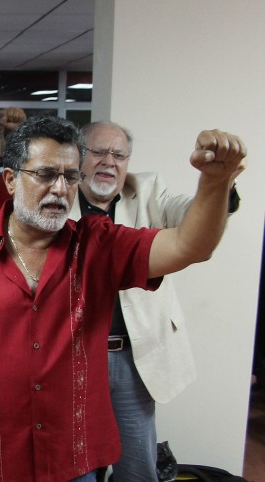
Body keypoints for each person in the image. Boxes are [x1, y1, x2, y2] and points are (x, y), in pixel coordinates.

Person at [0, 116, 246, 482]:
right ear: (11, 180)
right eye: (46, 174)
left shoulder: (97, 245)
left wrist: (215, 182)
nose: (60, 189)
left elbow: (190, 246)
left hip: (73, 462)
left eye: (70, 177)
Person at [74, 121, 242, 481]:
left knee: (138, 469)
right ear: (79, 156)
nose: (109, 161)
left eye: (119, 155)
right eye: (98, 152)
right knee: (78, 468)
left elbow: (193, 222)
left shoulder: (148, 190)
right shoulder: (59, 198)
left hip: (134, 359)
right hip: (74, 359)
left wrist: (217, 184)